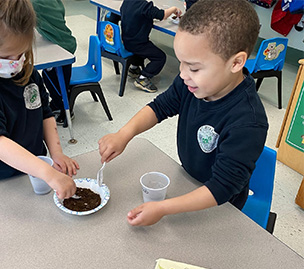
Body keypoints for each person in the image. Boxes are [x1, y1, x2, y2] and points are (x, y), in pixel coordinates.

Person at [99, 0, 268, 226]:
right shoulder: (192, 84)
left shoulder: (248, 121)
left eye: (194, 67)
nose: (183, 74)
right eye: (181, 63)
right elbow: (159, 107)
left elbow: (221, 188)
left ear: (236, 62)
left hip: (219, 206)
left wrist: (163, 208)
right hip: (188, 180)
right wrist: (124, 134)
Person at [0, 0, 79, 199]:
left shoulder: (24, 70)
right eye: (5, 56)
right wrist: (48, 173)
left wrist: (56, 153)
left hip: (30, 171)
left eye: (22, 53)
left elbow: (44, 112)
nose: (15, 63)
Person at [31, 0, 77, 126]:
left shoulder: (34, 3)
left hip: (61, 47)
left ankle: (65, 108)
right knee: (53, 77)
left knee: (53, 81)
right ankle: (58, 103)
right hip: (65, 41)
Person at [120, 0, 182, 93]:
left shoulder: (127, 2)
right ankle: (143, 78)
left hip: (127, 41)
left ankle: (134, 69)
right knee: (160, 57)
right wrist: (174, 9)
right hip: (139, 43)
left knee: (144, 51)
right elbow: (162, 15)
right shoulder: (145, 6)